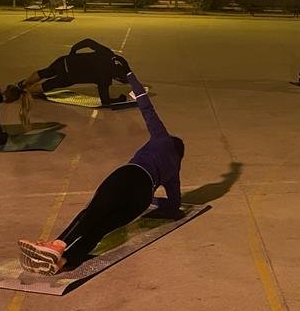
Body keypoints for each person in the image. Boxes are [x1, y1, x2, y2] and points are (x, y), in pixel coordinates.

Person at [17, 58, 185, 275]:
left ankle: (56, 246)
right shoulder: (175, 171)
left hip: (129, 177)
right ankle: (63, 263)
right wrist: (153, 200)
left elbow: (146, 107)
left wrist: (129, 75)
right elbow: (174, 205)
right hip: (140, 200)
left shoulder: (163, 139)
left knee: (92, 213)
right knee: (100, 229)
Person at [18, 38, 129, 107]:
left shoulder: (108, 54)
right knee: (47, 85)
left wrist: (74, 50)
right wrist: (120, 100)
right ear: (117, 77)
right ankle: (23, 92)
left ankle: (22, 84)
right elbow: (105, 101)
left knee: (45, 72)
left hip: (64, 61)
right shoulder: (105, 78)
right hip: (69, 77)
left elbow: (88, 41)